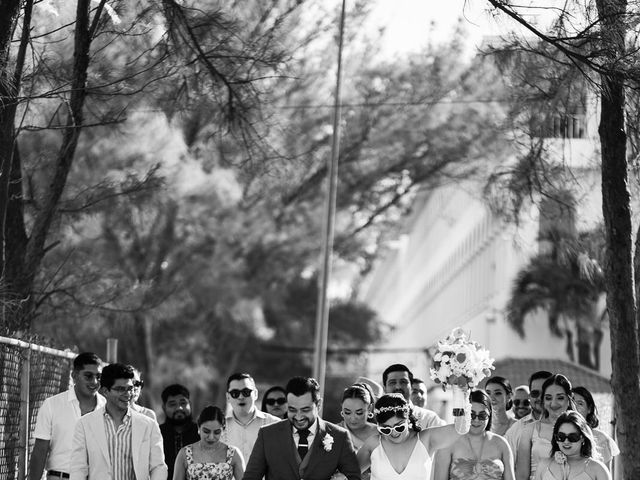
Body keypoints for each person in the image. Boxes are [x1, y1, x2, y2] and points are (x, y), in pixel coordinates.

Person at [243, 376, 360, 480]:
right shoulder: (267, 434)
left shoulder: (340, 437)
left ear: (318, 405)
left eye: (305, 410)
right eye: (292, 409)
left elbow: (353, 477)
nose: (298, 417)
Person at [69, 363, 167, 480]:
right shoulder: (85, 424)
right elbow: (78, 469)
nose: (127, 394)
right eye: (120, 389)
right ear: (105, 391)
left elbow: (158, 466)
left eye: (130, 388)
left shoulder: (148, 425)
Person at [358, 392, 471, 480]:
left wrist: (459, 391)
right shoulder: (373, 444)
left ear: (408, 420)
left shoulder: (426, 439)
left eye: (399, 427)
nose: (393, 432)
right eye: (386, 429)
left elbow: (461, 428)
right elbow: (347, 474)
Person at [29, 352, 106, 480]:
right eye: (88, 376)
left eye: (98, 376)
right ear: (74, 376)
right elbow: (40, 451)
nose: (94, 381)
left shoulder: (108, 408)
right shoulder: (52, 405)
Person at [433, 390, 515, 480]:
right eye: (471, 415)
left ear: (490, 415)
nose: (476, 420)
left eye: (482, 415)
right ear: (464, 414)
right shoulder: (448, 444)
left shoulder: (501, 444)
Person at [515, 374, 575, 480]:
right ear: (543, 400)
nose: (553, 403)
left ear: (569, 398)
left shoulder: (581, 430)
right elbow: (521, 476)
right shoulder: (529, 430)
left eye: (560, 398)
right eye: (548, 398)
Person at [172, 405, 244, 480]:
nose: (211, 437)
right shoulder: (185, 454)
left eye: (216, 432)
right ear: (198, 427)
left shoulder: (233, 454)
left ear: (223, 430)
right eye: (206, 431)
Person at [534, 411, 610, 480]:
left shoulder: (598, 469)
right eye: (561, 437)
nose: (566, 441)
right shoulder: (543, 466)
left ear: (583, 438)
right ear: (556, 438)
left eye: (572, 437)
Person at [223, 373, 280, 464]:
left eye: (246, 392)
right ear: (228, 397)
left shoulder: (275, 425)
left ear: (256, 394)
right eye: (235, 393)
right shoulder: (218, 428)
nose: (241, 397)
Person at [505, 371, 553, 464]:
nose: (540, 397)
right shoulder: (516, 430)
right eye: (535, 393)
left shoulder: (568, 426)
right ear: (530, 395)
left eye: (544, 393)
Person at [382, 364, 445, 429]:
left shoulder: (429, 419)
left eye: (403, 382)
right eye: (392, 382)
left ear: (411, 387)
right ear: (384, 388)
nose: (398, 387)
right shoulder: (378, 419)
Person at [571, 386, 619, 470]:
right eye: (571, 403)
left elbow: (607, 472)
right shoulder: (558, 436)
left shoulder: (601, 439)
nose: (574, 407)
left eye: (580, 403)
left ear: (589, 409)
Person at [161, 384, 200, 480]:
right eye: (172, 404)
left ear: (190, 404)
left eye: (183, 403)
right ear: (164, 408)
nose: (179, 408)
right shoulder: (156, 434)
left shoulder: (202, 433)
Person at [339, 384, 378, 451]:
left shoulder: (382, 434)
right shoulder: (333, 432)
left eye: (359, 413)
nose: (353, 418)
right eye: (347, 412)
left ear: (370, 408)